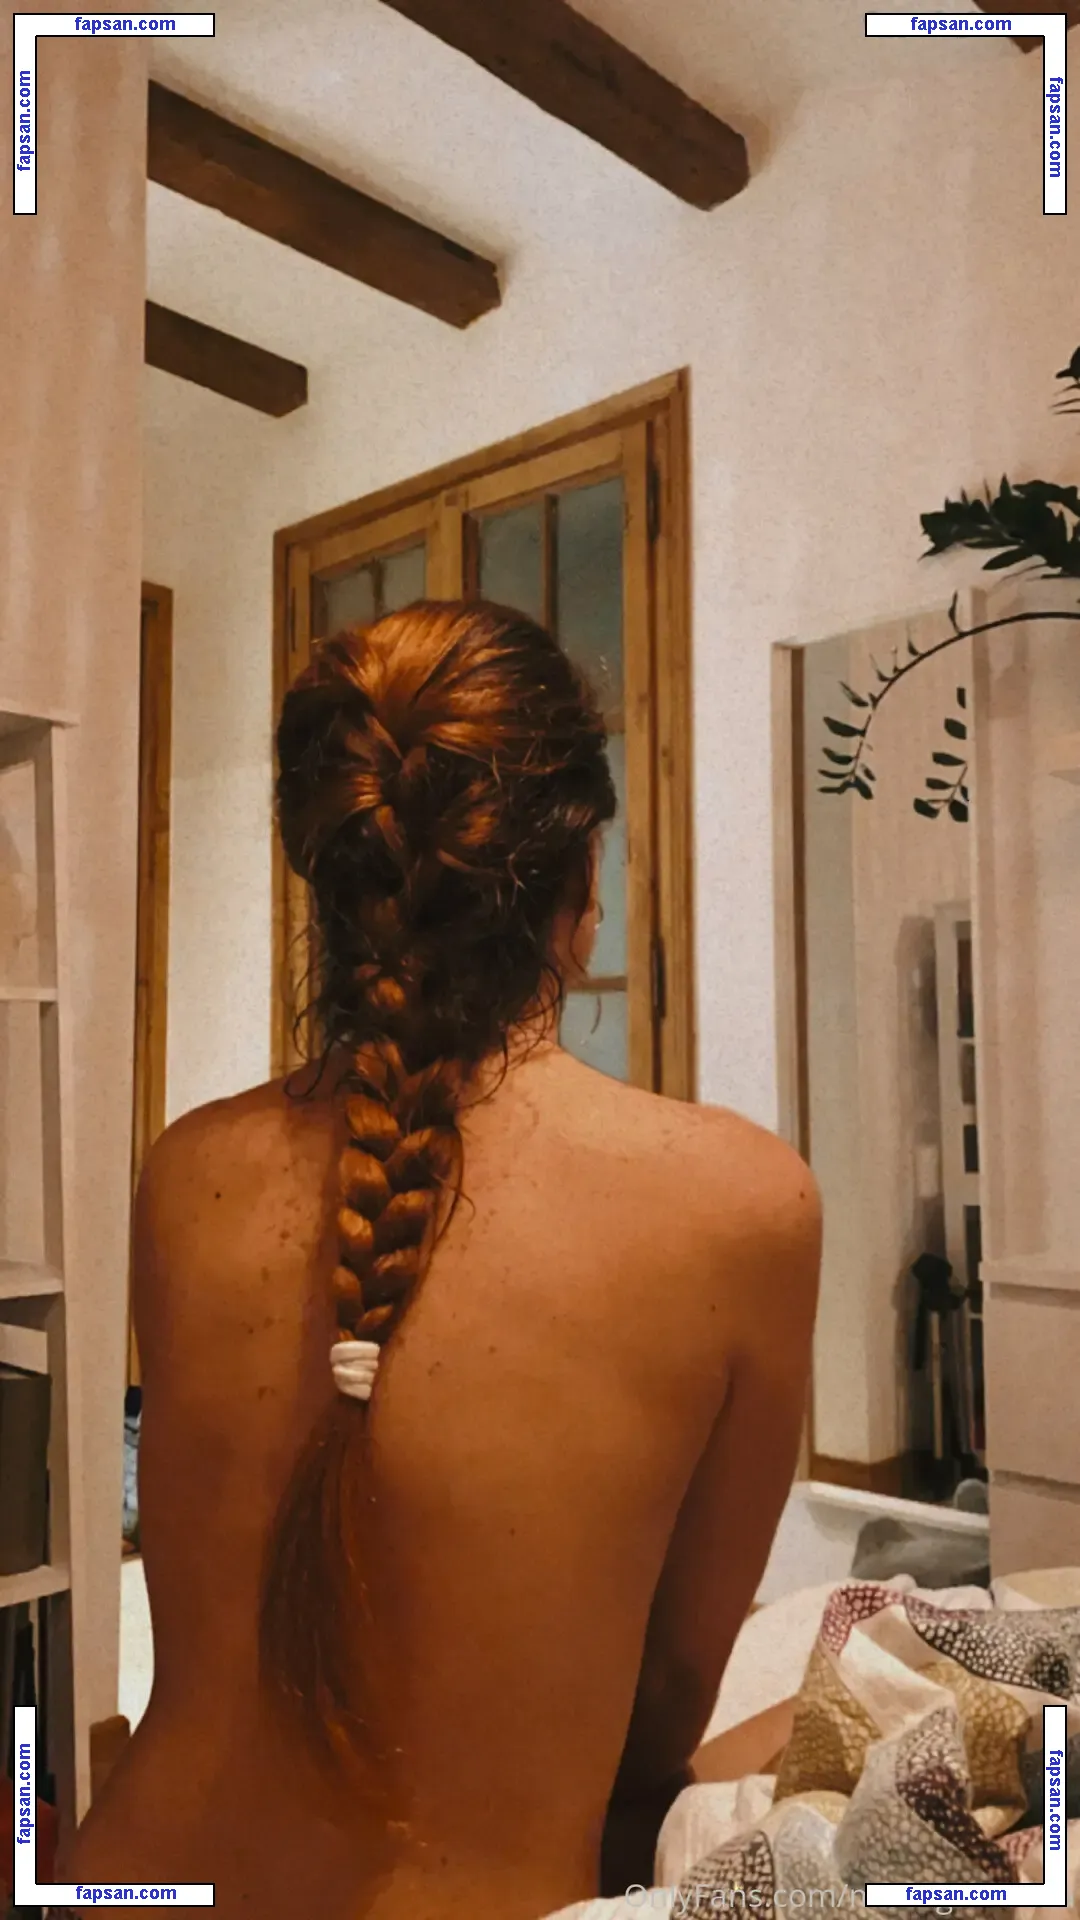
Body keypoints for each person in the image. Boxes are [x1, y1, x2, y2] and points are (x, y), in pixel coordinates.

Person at [63, 601, 821, 1920]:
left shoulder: (189, 1171)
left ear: (332, 882)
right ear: (583, 880)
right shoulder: (744, 1205)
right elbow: (657, 1713)